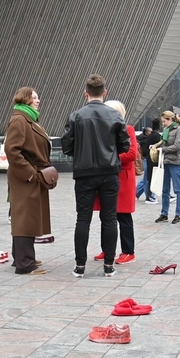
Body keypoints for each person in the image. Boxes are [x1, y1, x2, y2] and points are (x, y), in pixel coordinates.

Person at [62, 74, 130, 277]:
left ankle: (80, 266)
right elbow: (124, 145)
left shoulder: (76, 116)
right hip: (109, 171)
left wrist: (80, 153)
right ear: (104, 93)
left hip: (84, 172)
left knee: (83, 218)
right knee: (109, 218)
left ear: (86, 93)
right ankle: (109, 265)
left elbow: (66, 145)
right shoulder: (115, 115)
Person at [6, 87, 52, 275]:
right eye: (34, 98)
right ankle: (25, 264)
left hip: (30, 176)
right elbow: (12, 150)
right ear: (24, 99)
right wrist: (31, 173)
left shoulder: (28, 119)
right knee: (24, 218)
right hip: (25, 177)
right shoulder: (20, 120)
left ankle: (20, 257)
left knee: (27, 216)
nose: (38, 100)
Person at [93, 100, 138, 264]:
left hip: (122, 178)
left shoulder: (128, 129)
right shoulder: (101, 131)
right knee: (106, 216)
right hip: (106, 178)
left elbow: (132, 154)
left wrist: (108, 158)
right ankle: (107, 249)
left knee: (123, 216)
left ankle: (128, 251)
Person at [155, 110, 180, 222]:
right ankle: (164, 213)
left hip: (175, 162)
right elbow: (162, 142)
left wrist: (162, 149)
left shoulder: (179, 129)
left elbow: (178, 146)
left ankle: (179, 214)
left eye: (164, 121)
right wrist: (154, 146)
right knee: (165, 189)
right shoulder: (166, 130)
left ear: (170, 119)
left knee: (178, 189)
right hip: (165, 162)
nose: (163, 123)